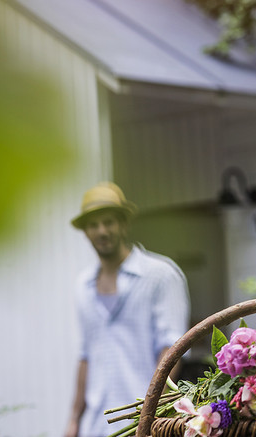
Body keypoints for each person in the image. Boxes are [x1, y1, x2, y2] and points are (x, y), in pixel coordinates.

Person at [64, 182, 190, 437]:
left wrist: (146, 416)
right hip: (97, 426)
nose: (101, 231)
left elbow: (172, 350)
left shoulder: (160, 275)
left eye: (109, 222)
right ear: (85, 232)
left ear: (124, 224)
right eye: (93, 225)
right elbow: (85, 356)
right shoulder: (83, 286)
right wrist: (74, 420)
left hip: (145, 425)